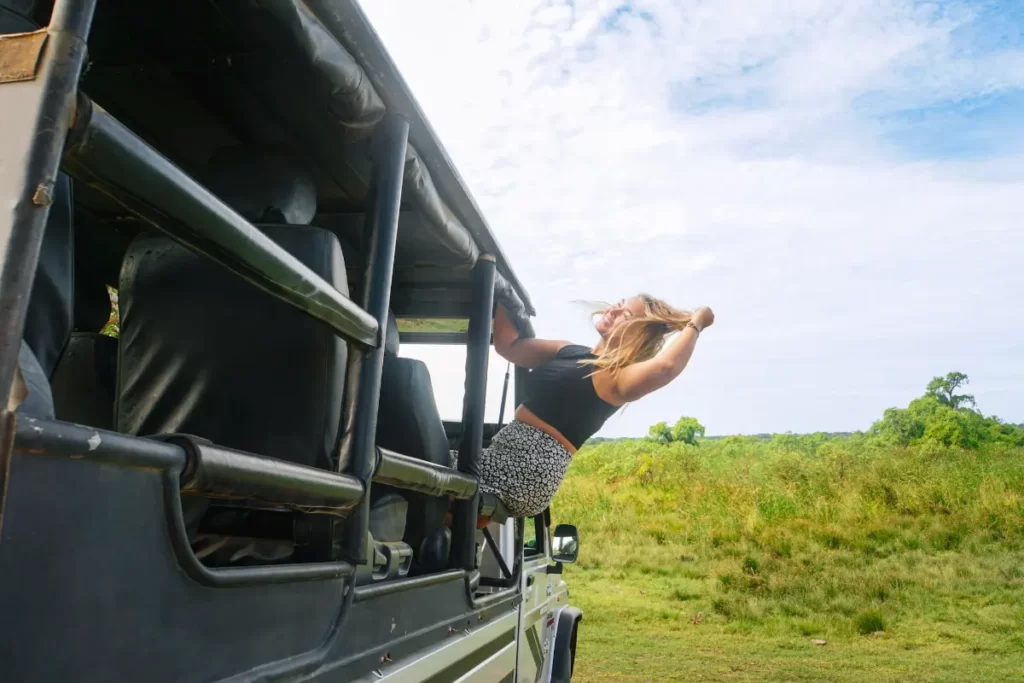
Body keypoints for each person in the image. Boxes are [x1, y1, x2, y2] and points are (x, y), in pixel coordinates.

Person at [453, 294, 714, 523]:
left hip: (529, 469)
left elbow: (666, 367)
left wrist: (697, 321)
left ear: (640, 333)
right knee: (431, 467)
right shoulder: (568, 350)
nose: (613, 311)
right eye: (617, 304)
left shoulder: (616, 377)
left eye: (625, 315)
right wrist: (500, 294)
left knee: (430, 462)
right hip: (503, 454)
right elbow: (509, 346)